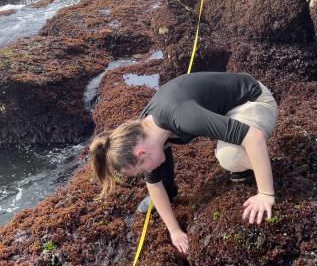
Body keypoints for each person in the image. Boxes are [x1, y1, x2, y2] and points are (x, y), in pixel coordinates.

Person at [89, 71, 279, 255]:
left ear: (142, 153)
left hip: (253, 100)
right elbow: (154, 183)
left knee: (230, 156)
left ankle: (260, 167)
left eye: (141, 170)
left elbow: (253, 136)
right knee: (230, 151)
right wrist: (175, 231)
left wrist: (265, 194)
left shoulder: (182, 117)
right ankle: (250, 162)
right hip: (226, 110)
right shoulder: (143, 132)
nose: (145, 174)